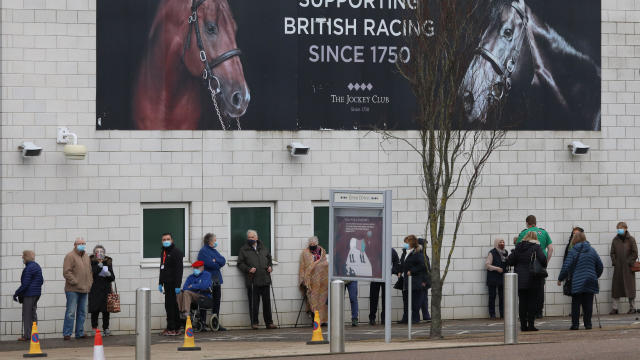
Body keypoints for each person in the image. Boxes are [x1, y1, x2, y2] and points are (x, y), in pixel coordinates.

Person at [557, 232, 603, 330]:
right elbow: (600, 266)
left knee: (576, 304)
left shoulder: (573, 251)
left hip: (577, 281)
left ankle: (575, 325)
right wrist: (595, 275)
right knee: (588, 303)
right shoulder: (592, 250)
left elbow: (566, 266)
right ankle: (588, 324)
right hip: (591, 280)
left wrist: (560, 278)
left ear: (575, 240)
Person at [507, 231, 547, 331]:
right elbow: (543, 260)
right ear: (535, 238)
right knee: (532, 302)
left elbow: (510, 261)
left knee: (522, 302)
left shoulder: (518, 247)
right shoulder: (536, 247)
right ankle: (531, 325)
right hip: (533, 278)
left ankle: (523, 325)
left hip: (520, 279)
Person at [237, 229, 277, 329]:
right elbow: (240, 263)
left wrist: (270, 266)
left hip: (265, 279)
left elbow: (269, 259)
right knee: (254, 303)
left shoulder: (263, 247)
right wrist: (248, 269)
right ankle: (254, 323)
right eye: (249, 237)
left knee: (267, 303)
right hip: (253, 281)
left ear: (256, 238)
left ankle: (269, 322)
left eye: (252, 237)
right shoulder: (243, 249)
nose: (250, 239)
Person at [517, 215, 553, 318]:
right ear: (535, 222)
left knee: (528, 289)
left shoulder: (524, 233)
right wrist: (546, 262)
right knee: (540, 288)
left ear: (527, 223)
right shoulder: (544, 233)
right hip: (541, 265)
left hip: (527, 266)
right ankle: (539, 312)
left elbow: (518, 250)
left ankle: (528, 312)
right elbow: (550, 249)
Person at [62, 237, 93, 340]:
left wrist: (90, 282)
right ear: (74, 245)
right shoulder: (70, 256)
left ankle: (79, 332)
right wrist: (75, 282)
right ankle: (67, 333)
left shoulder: (86, 256)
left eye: (84, 243)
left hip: (85, 289)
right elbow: (66, 272)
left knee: (82, 312)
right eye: (80, 243)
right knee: (71, 312)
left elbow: (89, 271)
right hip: (72, 289)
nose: (82, 245)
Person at [197, 233, 227, 330]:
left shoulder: (214, 251)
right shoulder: (203, 251)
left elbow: (223, 260)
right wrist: (216, 263)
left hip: (217, 280)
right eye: (214, 240)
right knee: (205, 301)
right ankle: (202, 323)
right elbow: (209, 264)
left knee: (216, 302)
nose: (216, 242)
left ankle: (215, 323)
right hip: (207, 280)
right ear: (210, 242)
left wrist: (216, 261)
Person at [14, 250, 43, 342]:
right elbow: (41, 280)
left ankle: (27, 336)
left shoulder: (28, 268)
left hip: (29, 294)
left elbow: (25, 284)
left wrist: (16, 293)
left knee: (27, 315)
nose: (22, 258)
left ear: (26, 257)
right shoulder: (37, 266)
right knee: (33, 314)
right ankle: (34, 335)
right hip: (36, 294)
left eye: (23, 256)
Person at [158, 233, 184, 336]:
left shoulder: (176, 252)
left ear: (172, 240)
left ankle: (172, 328)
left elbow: (179, 270)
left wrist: (178, 285)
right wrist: (160, 282)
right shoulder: (163, 252)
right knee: (170, 305)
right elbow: (162, 268)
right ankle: (175, 327)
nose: (166, 241)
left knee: (171, 306)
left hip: (173, 283)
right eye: (164, 239)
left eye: (168, 239)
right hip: (166, 284)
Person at [299, 236, 329, 324]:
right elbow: (302, 267)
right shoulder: (305, 253)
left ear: (317, 244)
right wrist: (303, 280)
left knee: (322, 300)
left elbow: (324, 264)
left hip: (322, 281)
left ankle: (323, 320)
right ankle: (315, 320)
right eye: (311, 244)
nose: (312, 245)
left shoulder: (322, 251)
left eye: (314, 244)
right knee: (313, 299)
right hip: (311, 282)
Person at [610, 222, 638, 314]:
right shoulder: (615, 240)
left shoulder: (631, 239)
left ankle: (632, 307)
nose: (619, 230)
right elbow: (612, 253)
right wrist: (615, 262)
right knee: (616, 288)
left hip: (628, 268)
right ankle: (615, 308)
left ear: (626, 228)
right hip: (618, 268)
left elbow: (635, 253)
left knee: (630, 288)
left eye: (621, 228)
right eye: (618, 228)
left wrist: (629, 262)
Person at [369, 247, 400, 325]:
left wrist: (392, 271)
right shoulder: (374, 249)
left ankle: (384, 318)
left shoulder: (391, 251)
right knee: (373, 298)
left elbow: (396, 262)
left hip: (385, 277)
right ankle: (372, 318)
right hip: (375, 276)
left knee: (385, 298)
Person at [89, 245, 115, 336]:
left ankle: (106, 328)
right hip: (95, 289)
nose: (99, 253)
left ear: (104, 253)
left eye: (101, 251)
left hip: (106, 289)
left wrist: (108, 274)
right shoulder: (91, 262)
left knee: (106, 310)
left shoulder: (108, 262)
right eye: (97, 251)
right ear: (94, 253)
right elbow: (91, 274)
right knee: (94, 310)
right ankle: (94, 328)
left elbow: (112, 278)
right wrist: (98, 267)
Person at [401, 235, 428, 324]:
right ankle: (407, 318)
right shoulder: (408, 253)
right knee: (408, 301)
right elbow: (403, 264)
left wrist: (412, 271)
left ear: (411, 243)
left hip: (415, 281)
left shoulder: (418, 253)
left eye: (407, 243)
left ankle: (415, 319)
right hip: (407, 281)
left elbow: (423, 265)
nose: (405, 244)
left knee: (415, 302)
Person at [486, 238, 508, 319]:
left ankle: (502, 314)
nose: (502, 243)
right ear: (496, 243)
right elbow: (487, 265)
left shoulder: (505, 252)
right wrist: (497, 268)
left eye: (503, 242)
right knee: (492, 296)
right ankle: (492, 314)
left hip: (502, 277)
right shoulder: (492, 253)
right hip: (492, 278)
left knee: (502, 297)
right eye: (500, 242)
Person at [418, 238, 431, 322]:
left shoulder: (424, 255)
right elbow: (423, 269)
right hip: (421, 281)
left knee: (424, 299)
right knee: (420, 299)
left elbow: (427, 269)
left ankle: (426, 315)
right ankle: (421, 316)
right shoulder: (420, 256)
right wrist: (423, 281)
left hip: (424, 280)